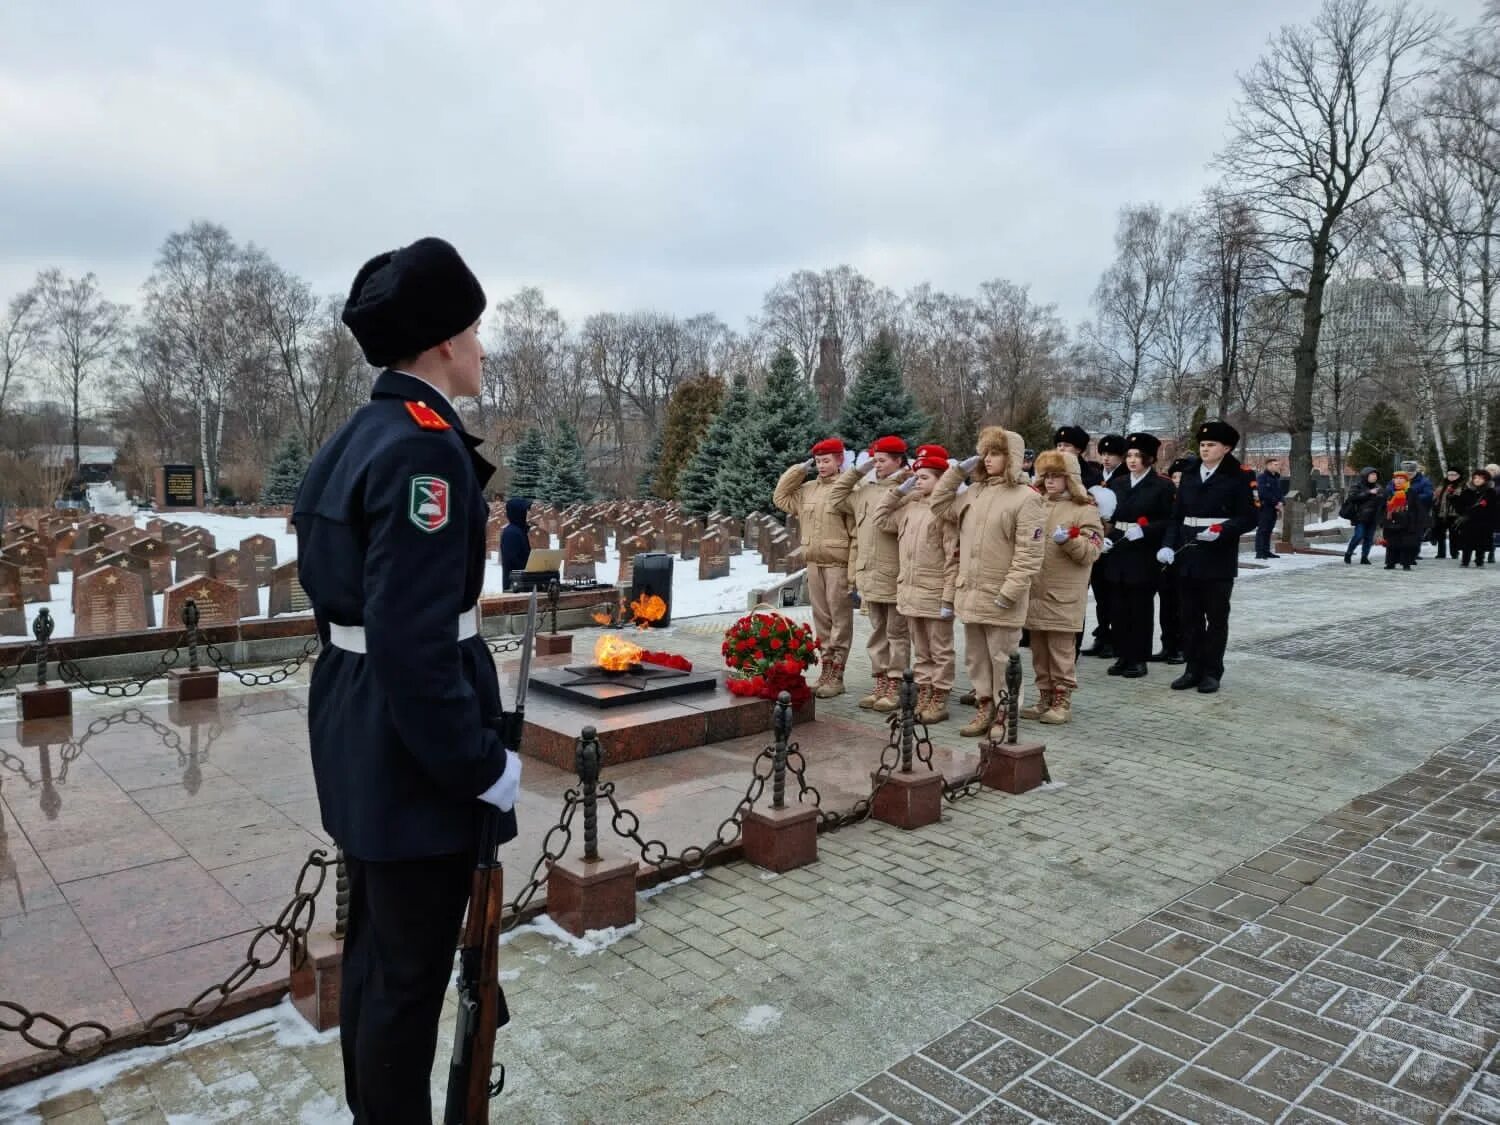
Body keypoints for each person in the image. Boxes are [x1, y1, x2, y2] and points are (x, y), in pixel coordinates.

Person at [294, 237, 521, 1122]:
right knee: (409, 977)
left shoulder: (361, 435)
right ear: (438, 344)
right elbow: (413, 641)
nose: (480, 346)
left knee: (380, 964)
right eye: (472, 328)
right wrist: (475, 761)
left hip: (363, 729)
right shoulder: (423, 451)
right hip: (412, 745)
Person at [932, 427, 1045, 738]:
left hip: (1001, 595)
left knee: (1002, 659)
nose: (988, 459)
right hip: (970, 592)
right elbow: (939, 506)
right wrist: (957, 473)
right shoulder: (974, 492)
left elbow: (1029, 554)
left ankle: (1006, 713)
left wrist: (1009, 592)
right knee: (977, 658)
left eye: (996, 453)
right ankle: (985, 706)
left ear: (1012, 458)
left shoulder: (1026, 499)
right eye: (986, 453)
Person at [1158, 420, 1257, 694]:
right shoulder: (1189, 472)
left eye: (1211, 445)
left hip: (1217, 557)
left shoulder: (1238, 476)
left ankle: (1212, 671)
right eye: (1202, 444)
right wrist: (1168, 545)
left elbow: (1249, 517)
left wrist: (1224, 530)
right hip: (1187, 553)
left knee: (1215, 617)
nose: (1205, 449)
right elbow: (1176, 516)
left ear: (1226, 448)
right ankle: (1192, 668)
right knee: (1188, 616)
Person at [875, 445, 960, 722]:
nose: (919, 481)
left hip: (935, 592)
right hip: (910, 592)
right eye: (917, 476)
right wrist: (899, 491)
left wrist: (948, 598)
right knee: (921, 650)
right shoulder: (909, 507)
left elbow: (953, 558)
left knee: (940, 649)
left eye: (925, 477)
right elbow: (881, 519)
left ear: (941, 480)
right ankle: (924, 690)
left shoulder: (946, 512)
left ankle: (939, 695)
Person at [1019, 451, 1103, 724]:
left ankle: (1062, 701)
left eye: (1057, 476)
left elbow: (1092, 551)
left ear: (1070, 479)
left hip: (1062, 593)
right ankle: (1044, 697)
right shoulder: (1036, 505)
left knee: (1061, 652)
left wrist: (1069, 541)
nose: (1050, 481)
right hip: (1036, 590)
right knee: (1039, 651)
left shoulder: (1084, 509)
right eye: (1046, 476)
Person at [829, 436, 911, 712]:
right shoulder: (865, 490)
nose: (877, 465)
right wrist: (857, 471)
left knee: (897, 632)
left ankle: (895, 683)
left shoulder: (907, 489)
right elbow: (836, 497)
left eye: (882, 460)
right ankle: (879, 679)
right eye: (874, 460)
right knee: (877, 631)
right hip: (870, 573)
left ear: (899, 460)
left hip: (896, 572)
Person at [775, 438, 856, 697]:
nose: (821, 466)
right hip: (814, 563)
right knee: (821, 621)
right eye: (818, 461)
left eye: (827, 460)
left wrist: (854, 570)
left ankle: (838, 674)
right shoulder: (807, 489)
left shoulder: (849, 490)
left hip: (838, 564)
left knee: (839, 621)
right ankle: (826, 668)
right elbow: (780, 497)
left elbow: (855, 533)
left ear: (839, 460)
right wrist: (800, 470)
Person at [1099, 433, 1174, 678]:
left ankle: (1138, 658)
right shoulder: (1118, 483)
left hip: (1143, 553)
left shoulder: (1162, 485)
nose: (1132, 460)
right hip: (1119, 548)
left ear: (1149, 458)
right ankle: (1122, 654)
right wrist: (1106, 537)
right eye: (1129, 455)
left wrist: (1146, 531)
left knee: (1139, 608)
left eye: (1137, 456)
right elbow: (1109, 515)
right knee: (1117, 607)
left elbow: (1169, 521)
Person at [1081, 433, 1127, 659]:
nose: (1107, 459)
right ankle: (1102, 634)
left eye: (1112, 455)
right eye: (1104, 454)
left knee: (1113, 595)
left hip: (1115, 542)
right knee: (1100, 592)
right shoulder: (1096, 477)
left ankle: (1115, 638)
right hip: (1096, 540)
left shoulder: (1125, 478)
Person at [1151, 457, 1190, 665]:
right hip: (1164, 555)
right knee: (1166, 604)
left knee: (1182, 605)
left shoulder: (1191, 497)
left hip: (1184, 554)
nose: (1176, 480)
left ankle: (1183, 647)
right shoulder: (1166, 496)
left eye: (1181, 477)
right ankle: (1167, 645)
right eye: (1174, 476)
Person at [1453, 467, 1497, 567]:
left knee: (1481, 543)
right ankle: (1465, 561)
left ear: (1486, 480)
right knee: (1466, 543)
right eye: (1475, 477)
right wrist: (1455, 500)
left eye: (1481, 478)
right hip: (1469, 521)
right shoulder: (1467, 491)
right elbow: (1460, 506)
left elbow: (1494, 508)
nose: (1477, 480)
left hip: (1484, 522)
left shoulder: (1490, 492)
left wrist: (1491, 517)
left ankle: (1479, 561)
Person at [1394, 460, 1435, 562]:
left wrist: (1413, 497)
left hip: (1418, 513)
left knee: (1416, 535)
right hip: (1401, 512)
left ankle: (1413, 554)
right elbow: (1390, 491)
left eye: (1410, 473)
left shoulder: (1424, 481)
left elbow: (1429, 495)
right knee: (1401, 533)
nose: (1408, 475)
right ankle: (1401, 554)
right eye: (1406, 474)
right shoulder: (1398, 481)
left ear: (1415, 472)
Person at [1342, 467, 1383, 565]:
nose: (1374, 477)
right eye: (1372, 475)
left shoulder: (1378, 487)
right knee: (1358, 536)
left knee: (1369, 538)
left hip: (1373, 517)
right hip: (1360, 517)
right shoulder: (1357, 486)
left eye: (1375, 475)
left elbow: (1383, 500)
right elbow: (1352, 497)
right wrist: (1368, 492)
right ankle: (1349, 553)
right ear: (1365, 476)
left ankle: (1364, 557)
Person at [1382, 470, 1422, 571]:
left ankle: (1406, 563)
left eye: (1401, 479)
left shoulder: (1411, 492)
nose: (1398, 481)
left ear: (1406, 481)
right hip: (1391, 522)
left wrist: (1413, 521)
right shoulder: (1389, 491)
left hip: (1406, 522)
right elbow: (1383, 506)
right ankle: (1390, 563)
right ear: (1393, 480)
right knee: (1391, 544)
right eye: (1396, 478)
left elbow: (1416, 508)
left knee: (1406, 544)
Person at [1255, 456, 1286, 559]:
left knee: (1269, 529)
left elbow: (1279, 492)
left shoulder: (1276, 477)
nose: (1277, 466)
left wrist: (1282, 501)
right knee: (1262, 529)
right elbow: (1263, 493)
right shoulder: (1262, 478)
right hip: (1265, 507)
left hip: (1274, 508)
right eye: (1275, 464)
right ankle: (1259, 553)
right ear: (1268, 466)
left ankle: (1266, 551)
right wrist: (1275, 502)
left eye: (1278, 464)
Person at [1431, 467, 1466, 560]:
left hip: (1454, 514)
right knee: (1440, 533)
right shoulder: (1442, 485)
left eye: (1454, 475)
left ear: (1459, 476)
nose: (1451, 477)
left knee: (1454, 534)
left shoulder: (1463, 485)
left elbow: (1463, 499)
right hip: (1441, 513)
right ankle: (1441, 553)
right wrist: (1435, 502)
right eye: (1449, 474)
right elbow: (1436, 498)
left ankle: (1454, 553)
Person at [499, 495, 532, 589]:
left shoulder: (519, 530)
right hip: (515, 584)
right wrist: (530, 568)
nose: (529, 513)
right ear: (519, 513)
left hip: (522, 581)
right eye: (526, 510)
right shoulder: (511, 533)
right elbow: (512, 560)